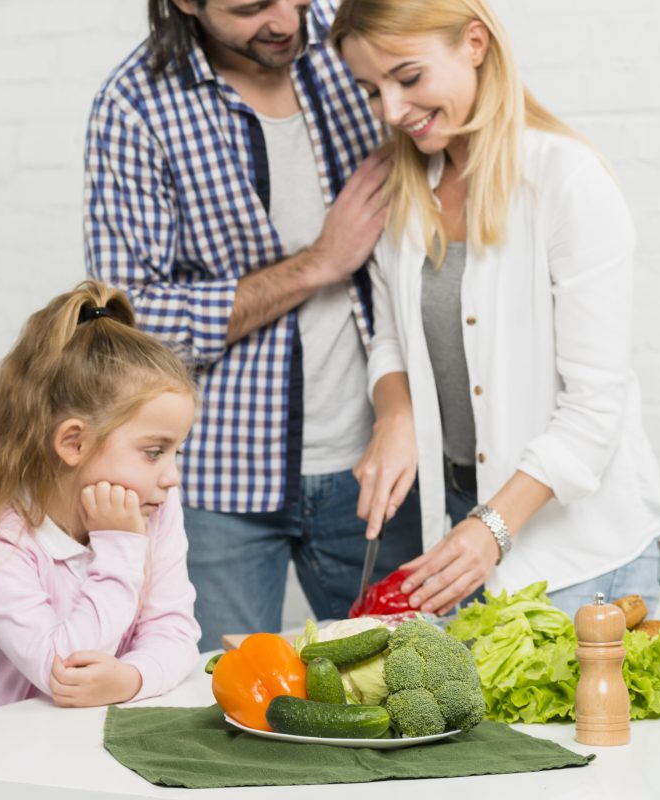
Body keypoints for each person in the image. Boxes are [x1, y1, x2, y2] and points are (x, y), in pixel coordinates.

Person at [84, 0, 423, 650]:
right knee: (217, 709)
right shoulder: (135, 105)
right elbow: (125, 324)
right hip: (221, 484)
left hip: (379, 466)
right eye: (249, 7)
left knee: (406, 695)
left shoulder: (359, 41)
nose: (286, 21)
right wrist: (318, 263)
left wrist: (406, 415)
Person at [331, 0, 660, 619]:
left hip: (581, 552)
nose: (390, 111)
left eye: (408, 78)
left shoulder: (567, 181)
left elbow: (596, 406)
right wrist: (395, 414)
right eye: (371, 89)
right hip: (463, 521)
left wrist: (492, 527)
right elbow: (389, 339)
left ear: (475, 44)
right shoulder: (401, 190)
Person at [0, 281, 201, 724]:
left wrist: (131, 677)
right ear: (73, 442)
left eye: (176, 452)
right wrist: (120, 548)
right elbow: (67, 668)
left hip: (76, 742)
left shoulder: (155, 509)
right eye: (154, 452)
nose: (171, 478)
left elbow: (175, 630)